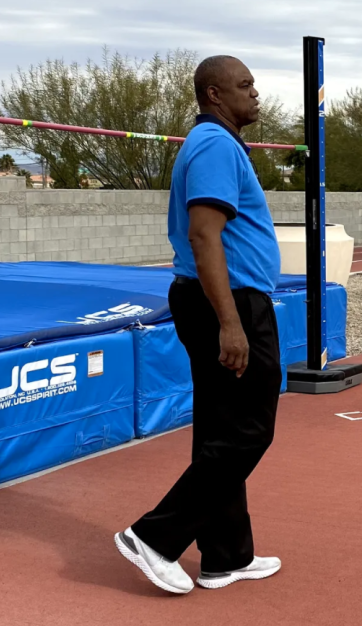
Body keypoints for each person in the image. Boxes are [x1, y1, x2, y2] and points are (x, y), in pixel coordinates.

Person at [115, 55, 283, 594]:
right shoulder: (213, 144)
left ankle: (225, 556)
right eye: (244, 85)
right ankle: (155, 538)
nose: (254, 93)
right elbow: (204, 236)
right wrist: (230, 324)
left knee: (221, 431)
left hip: (217, 301)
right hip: (226, 304)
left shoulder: (220, 145)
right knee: (251, 430)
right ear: (214, 94)